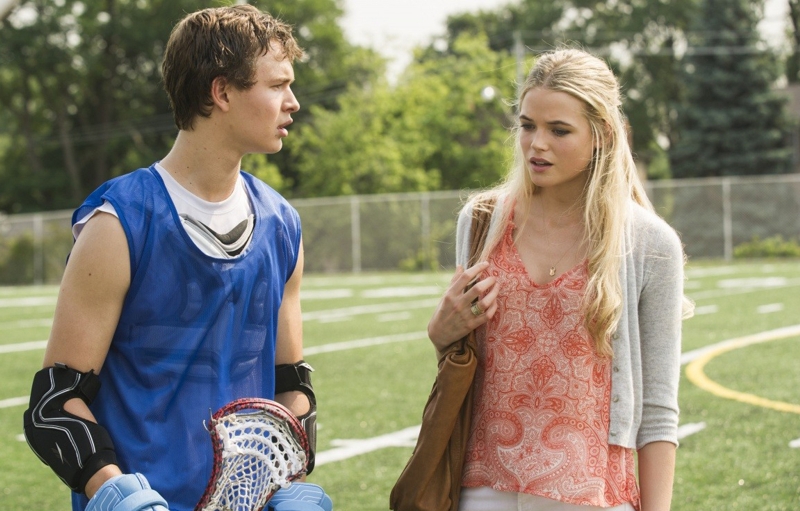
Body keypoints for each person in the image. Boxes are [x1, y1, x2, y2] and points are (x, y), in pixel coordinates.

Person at [22, 5, 330, 511]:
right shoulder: (118, 222)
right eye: (277, 85)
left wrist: (285, 474)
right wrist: (117, 493)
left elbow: (291, 382)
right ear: (222, 92)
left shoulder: (282, 224)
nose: (293, 102)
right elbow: (55, 403)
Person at [427, 48, 692, 511]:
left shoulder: (651, 243)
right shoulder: (481, 221)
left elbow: (657, 410)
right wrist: (440, 333)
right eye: (528, 125)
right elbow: (462, 360)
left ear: (602, 134)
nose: (537, 144)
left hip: (592, 492)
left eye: (559, 130)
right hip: (482, 483)